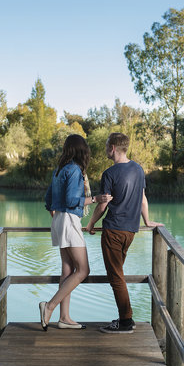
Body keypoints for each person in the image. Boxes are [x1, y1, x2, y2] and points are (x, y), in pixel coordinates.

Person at [85, 132, 162, 333]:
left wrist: (91, 223)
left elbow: (103, 205)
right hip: (130, 231)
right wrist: (146, 220)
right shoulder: (138, 169)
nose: (104, 149)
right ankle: (125, 318)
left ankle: (126, 321)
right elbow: (143, 198)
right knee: (118, 275)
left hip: (113, 230)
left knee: (116, 277)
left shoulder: (109, 174)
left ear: (112, 148)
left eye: (105, 146)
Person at [38, 134, 112, 331]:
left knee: (68, 270)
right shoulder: (74, 170)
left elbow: (48, 200)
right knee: (83, 270)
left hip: (60, 220)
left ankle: (64, 318)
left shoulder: (59, 170)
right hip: (69, 220)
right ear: (82, 150)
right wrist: (96, 198)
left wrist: (57, 216)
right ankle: (49, 306)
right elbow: (72, 200)